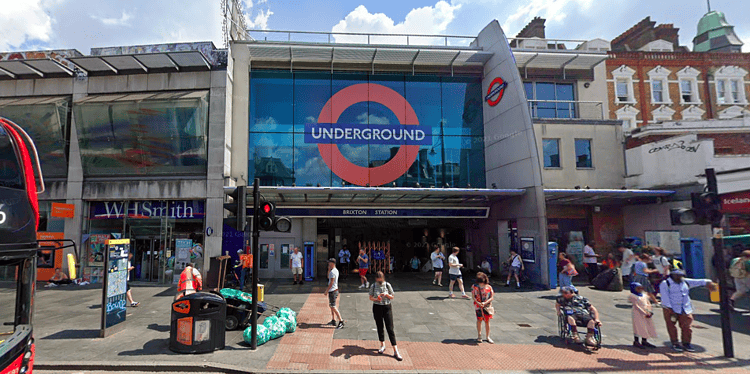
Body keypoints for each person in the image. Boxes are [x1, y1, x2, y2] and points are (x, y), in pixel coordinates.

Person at [659, 269, 717, 352]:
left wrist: (709, 283)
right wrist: (670, 310)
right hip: (671, 309)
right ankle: (675, 343)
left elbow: (701, 281)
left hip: (685, 309)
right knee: (672, 327)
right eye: (677, 275)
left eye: (681, 275)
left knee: (687, 327)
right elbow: (665, 298)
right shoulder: (665, 284)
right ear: (672, 276)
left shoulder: (685, 282)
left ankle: (686, 343)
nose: (680, 277)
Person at [368, 271, 401, 360]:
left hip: (387, 307)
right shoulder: (373, 286)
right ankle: (382, 344)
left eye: (381, 279)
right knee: (380, 326)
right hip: (377, 307)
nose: (380, 281)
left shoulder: (387, 285)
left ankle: (395, 350)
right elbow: (370, 297)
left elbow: (392, 296)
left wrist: (386, 295)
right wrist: (377, 298)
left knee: (390, 328)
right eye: (378, 280)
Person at [628, 282, 657, 349]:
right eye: (638, 288)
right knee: (638, 327)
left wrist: (650, 311)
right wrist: (644, 313)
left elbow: (648, 303)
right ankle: (636, 341)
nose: (640, 289)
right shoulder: (632, 296)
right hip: (637, 313)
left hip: (646, 312)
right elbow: (636, 306)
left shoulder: (644, 295)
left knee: (646, 326)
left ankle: (644, 340)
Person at [472, 272, 494, 343]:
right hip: (478, 306)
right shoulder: (475, 287)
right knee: (479, 320)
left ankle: (488, 336)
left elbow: (491, 297)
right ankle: (479, 335)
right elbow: (473, 296)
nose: (481, 284)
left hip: (486, 306)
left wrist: (485, 303)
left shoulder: (489, 287)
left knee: (487, 321)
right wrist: (478, 303)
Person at [324, 258, 344, 329]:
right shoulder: (334, 271)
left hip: (333, 291)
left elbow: (331, 282)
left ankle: (341, 321)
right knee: (331, 305)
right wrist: (329, 270)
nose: (328, 264)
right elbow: (328, 277)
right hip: (333, 290)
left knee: (333, 306)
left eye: (329, 263)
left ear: (332, 263)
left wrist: (326, 290)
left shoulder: (333, 272)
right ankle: (333, 319)